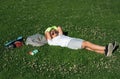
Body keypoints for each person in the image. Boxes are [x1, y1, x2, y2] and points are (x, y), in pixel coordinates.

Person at [45, 26, 117, 56]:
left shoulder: (60, 35)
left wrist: (53, 28)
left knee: (88, 47)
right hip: (69, 43)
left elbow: (59, 27)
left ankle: (106, 52)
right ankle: (106, 48)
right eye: (52, 33)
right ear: (50, 36)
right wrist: (49, 31)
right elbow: (47, 33)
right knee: (86, 43)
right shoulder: (51, 42)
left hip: (73, 39)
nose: (54, 32)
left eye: (54, 31)